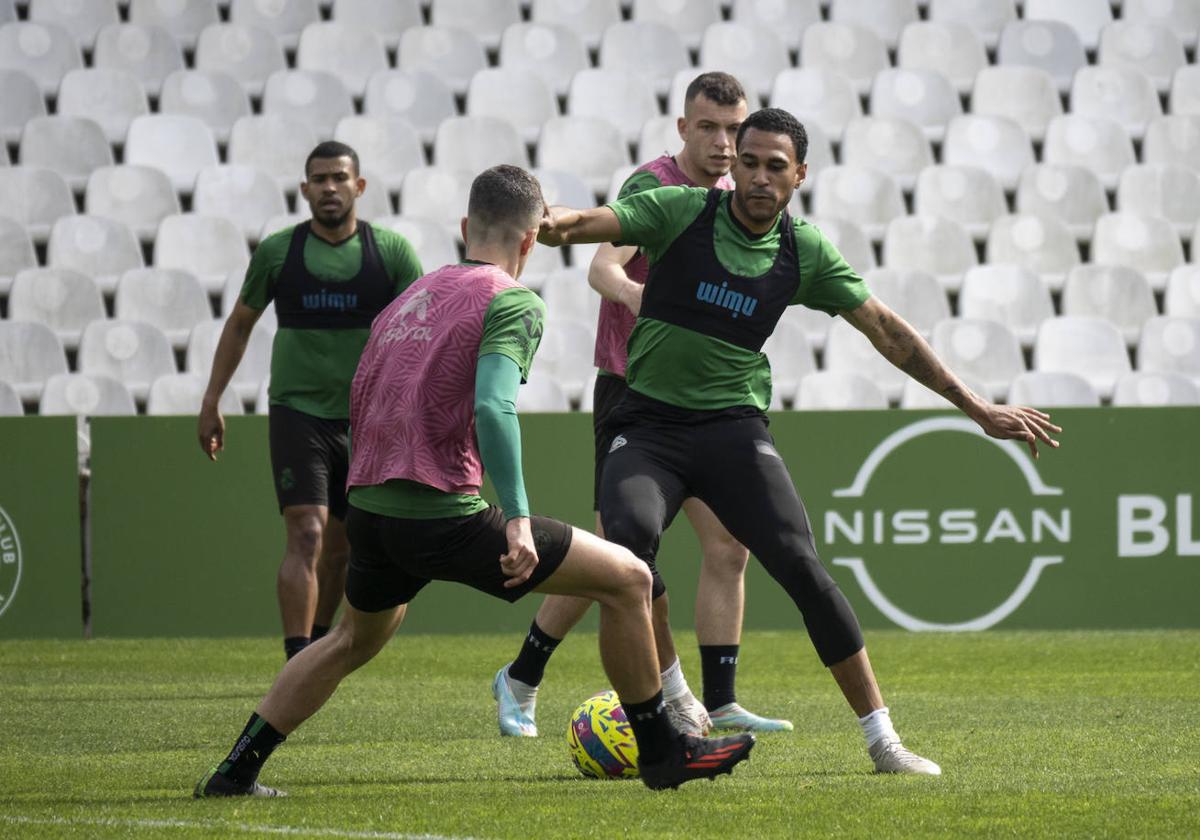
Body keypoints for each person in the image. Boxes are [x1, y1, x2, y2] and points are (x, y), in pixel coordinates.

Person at [193, 165, 756, 797]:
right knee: (630, 578)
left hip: (373, 509)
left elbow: (365, 393)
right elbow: (494, 405)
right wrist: (515, 515)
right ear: (531, 241)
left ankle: (235, 769)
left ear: (465, 227)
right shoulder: (512, 300)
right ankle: (662, 752)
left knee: (349, 638)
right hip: (439, 512)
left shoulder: (410, 295)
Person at [536, 108, 1062, 775]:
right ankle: (670, 718)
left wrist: (977, 406)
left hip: (732, 430)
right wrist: (546, 221)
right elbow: (586, 225)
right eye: (749, 162)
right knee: (628, 559)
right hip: (646, 428)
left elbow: (889, 332)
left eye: (774, 166)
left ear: (799, 176)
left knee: (802, 567)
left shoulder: (802, 251)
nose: (758, 176)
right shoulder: (681, 211)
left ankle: (883, 741)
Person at [493, 72, 791, 740]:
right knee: (623, 559)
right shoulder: (653, 184)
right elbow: (603, 268)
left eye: (733, 131)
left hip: (704, 400)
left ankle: (718, 701)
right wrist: (640, 299)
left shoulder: (736, 195)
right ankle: (524, 675)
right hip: (634, 391)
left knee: (728, 545)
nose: (722, 143)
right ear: (683, 128)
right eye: (708, 128)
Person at [198, 141, 423, 661]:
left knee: (343, 549)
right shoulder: (278, 252)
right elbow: (239, 325)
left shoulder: (391, 253)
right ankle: (296, 655)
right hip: (297, 413)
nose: (329, 188)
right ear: (304, 189)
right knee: (306, 533)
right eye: (319, 179)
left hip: (367, 418)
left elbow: (422, 331)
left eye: (339, 178)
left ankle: (317, 644)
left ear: (359, 186)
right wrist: (212, 399)